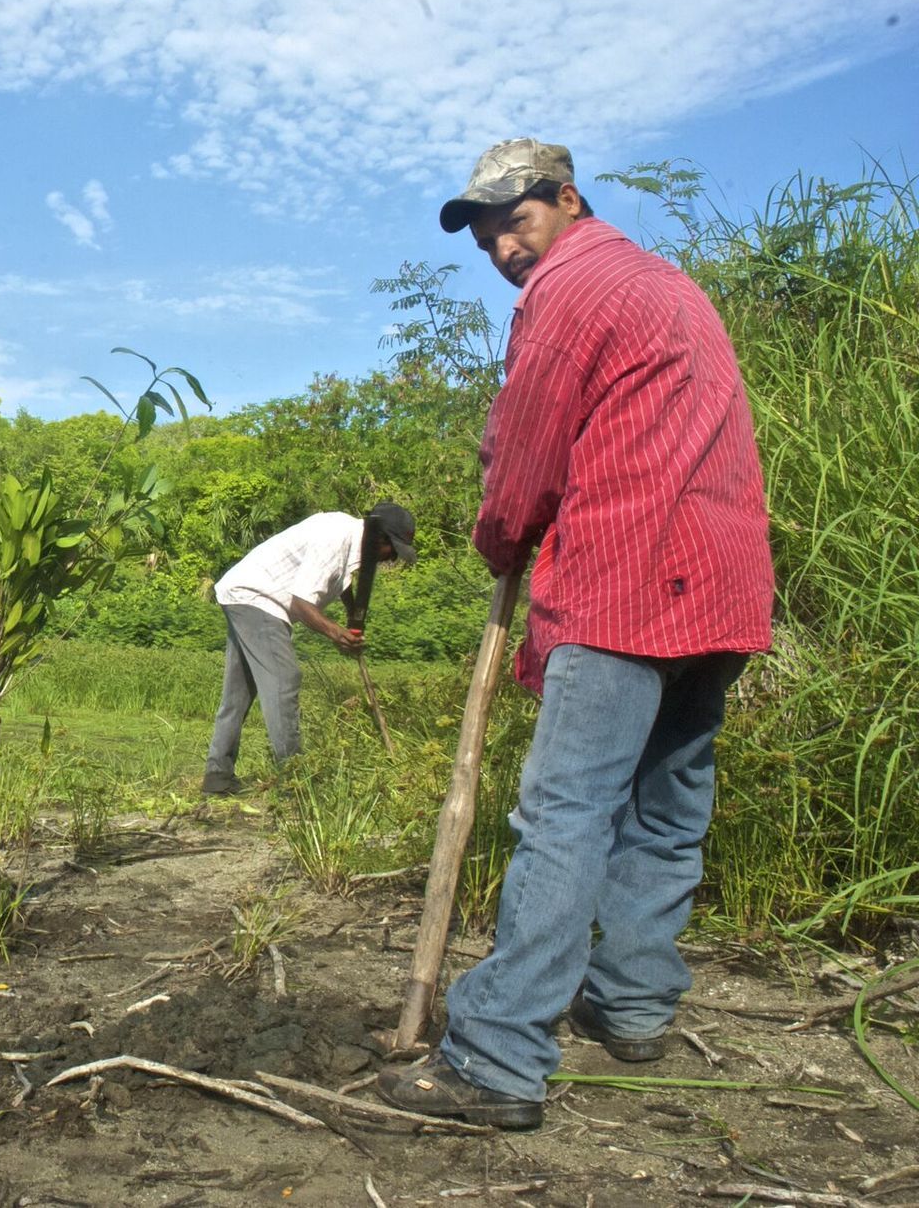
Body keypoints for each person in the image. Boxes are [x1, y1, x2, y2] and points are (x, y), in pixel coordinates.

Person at [378, 139, 773, 1128]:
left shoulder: (569, 288)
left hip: (629, 576)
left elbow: (527, 460)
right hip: (719, 583)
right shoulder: (668, 286)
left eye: (515, 219)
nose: (504, 247)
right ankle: (632, 1004)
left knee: (567, 812)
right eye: (485, 237)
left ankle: (499, 1056)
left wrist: (499, 530)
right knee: (666, 805)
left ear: (566, 199)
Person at [201, 502, 416, 796]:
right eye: (392, 550)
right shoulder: (336, 538)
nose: (390, 559)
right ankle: (294, 779)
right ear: (380, 538)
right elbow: (301, 604)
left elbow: (337, 580)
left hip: (243, 592)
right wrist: (336, 633)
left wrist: (353, 618)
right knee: (284, 679)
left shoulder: (352, 538)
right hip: (257, 598)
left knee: (238, 693)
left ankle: (217, 776)